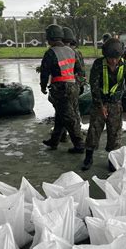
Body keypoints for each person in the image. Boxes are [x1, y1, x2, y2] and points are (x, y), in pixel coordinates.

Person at [82, 38, 126, 171]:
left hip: (115, 104)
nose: (113, 61)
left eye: (116, 58)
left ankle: (113, 160)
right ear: (105, 55)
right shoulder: (98, 64)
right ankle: (88, 158)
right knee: (94, 131)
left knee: (115, 133)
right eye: (110, 58)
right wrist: (100, 105)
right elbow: (94, 86)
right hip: (99, 103)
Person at [39, 24, 85, 154]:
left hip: (60, 88)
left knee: (68, 117)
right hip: (73, 86)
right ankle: (54, 141)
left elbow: (44, 73)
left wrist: (43, 87)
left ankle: (79, 144)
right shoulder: (71, 51)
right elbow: (80, 71)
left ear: (51, 37)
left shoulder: (50, 52)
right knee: (61, 114)